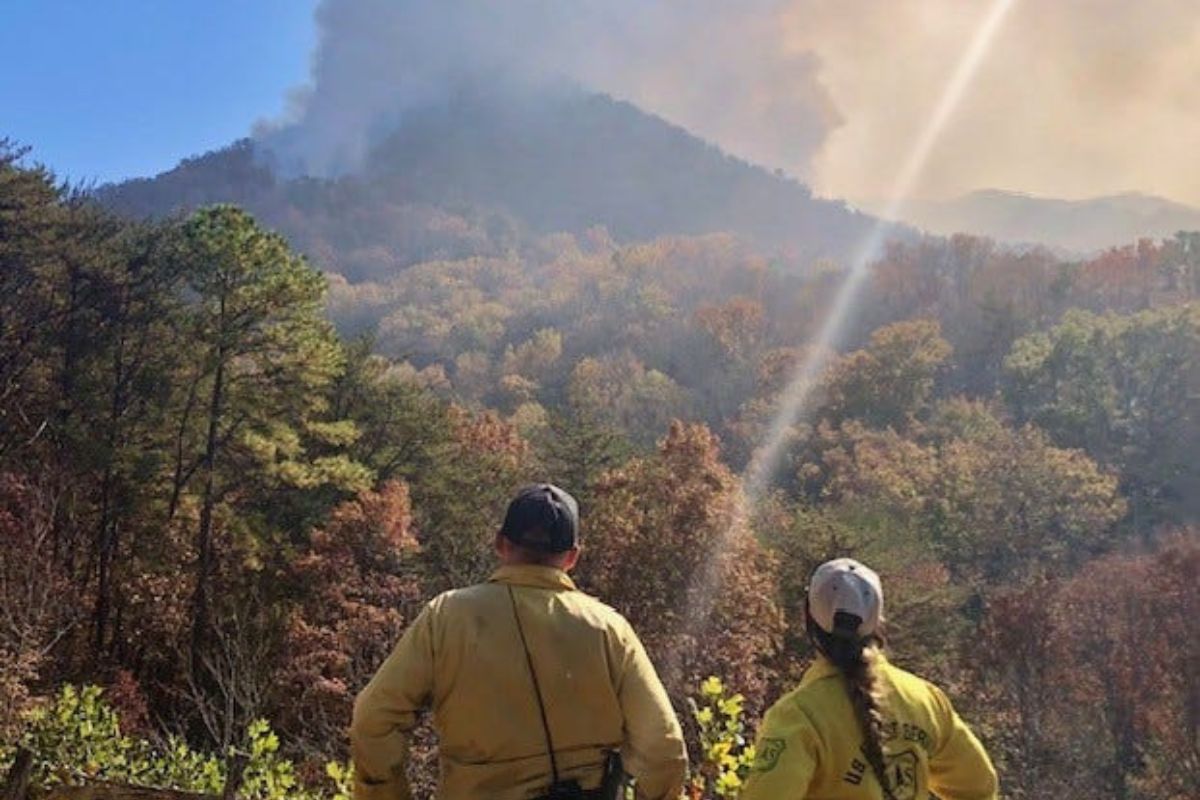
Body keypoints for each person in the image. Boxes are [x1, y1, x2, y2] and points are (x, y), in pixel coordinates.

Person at [350, 483, 688, 800]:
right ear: (572, 556)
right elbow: (663, 748)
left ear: (500, 543)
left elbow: (373, 719)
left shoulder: (446, 616)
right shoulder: (609, 629)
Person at [740, 558, 998, 800]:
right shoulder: (926, 700)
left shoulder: (798, 716)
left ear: (808, 616)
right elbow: (980, 787)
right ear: (877, 620)